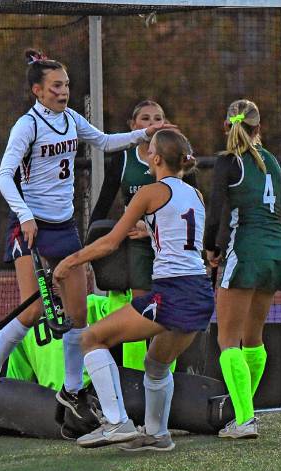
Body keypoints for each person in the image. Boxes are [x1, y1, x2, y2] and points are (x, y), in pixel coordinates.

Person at [0, 49, 173, 409]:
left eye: (65, 85)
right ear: (37, 90)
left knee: (76, 313)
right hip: (30, 226)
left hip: (64, 225)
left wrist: (145, 132)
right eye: (55, 86)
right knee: (32, 311)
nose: (62, 91)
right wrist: (24, 215)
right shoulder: (27, 126)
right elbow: (3, 176)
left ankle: (72, 390)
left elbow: (105, 142)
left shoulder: (70, 119)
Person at [54, 129, 213, 451]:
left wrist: (72, 261)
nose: (145, 150)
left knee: (91, 338)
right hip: (200, 293)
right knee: (156, 364)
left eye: (149, 148)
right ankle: (157, 434)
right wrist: (149, 228)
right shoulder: (194, 195)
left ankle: (116, 422)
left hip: (173, 292)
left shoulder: (149, 192)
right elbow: (178, 228)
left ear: (155, 159)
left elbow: (111, 241)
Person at [203, 99, 281, 439]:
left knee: (228, 339)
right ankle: (244, 412)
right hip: (274, 254)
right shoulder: (273, 163)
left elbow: (216, 210)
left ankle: (245, 419)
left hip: (243, 252)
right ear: (258, 128)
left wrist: (211, 249)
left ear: (226, 126)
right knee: (254, 338)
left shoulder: (227, 162)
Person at [90, 99, 192, 369]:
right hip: (136, 245)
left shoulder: (176, 159)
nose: (152, 124)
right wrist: (92, 242)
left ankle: (162, 375)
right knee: (139, 310)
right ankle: (133, 380)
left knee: (167, 310)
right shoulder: (123, 159)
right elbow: (102, 205)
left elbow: (189, 206)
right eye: (145, 119)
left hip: (168, 244)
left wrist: (151, 228)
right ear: (133, 126)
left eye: (157, 118)